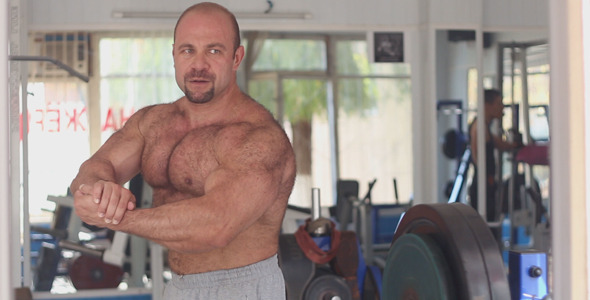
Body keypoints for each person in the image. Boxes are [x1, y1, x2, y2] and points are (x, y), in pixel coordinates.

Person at [70, 2, 296, 299]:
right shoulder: (153, 123)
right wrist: (98, 190)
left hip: (242, 288)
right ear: (174, 55)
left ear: (236, 57)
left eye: (214, 51)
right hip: (178, 286)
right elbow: (94, 168)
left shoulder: (259, 139)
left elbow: (216, 226)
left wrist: (115, 217)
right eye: (188, 50)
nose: (199, 64)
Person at [468, 89, 521, 223]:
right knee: (486, 227)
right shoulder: (479, 127)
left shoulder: (485, 127)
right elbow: (477, 158)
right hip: (482, 187)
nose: (502, 107)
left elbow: (500, 143)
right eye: (499, 103)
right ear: (487, 105)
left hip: (488, 184)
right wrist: (487, 180)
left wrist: (517, 146)